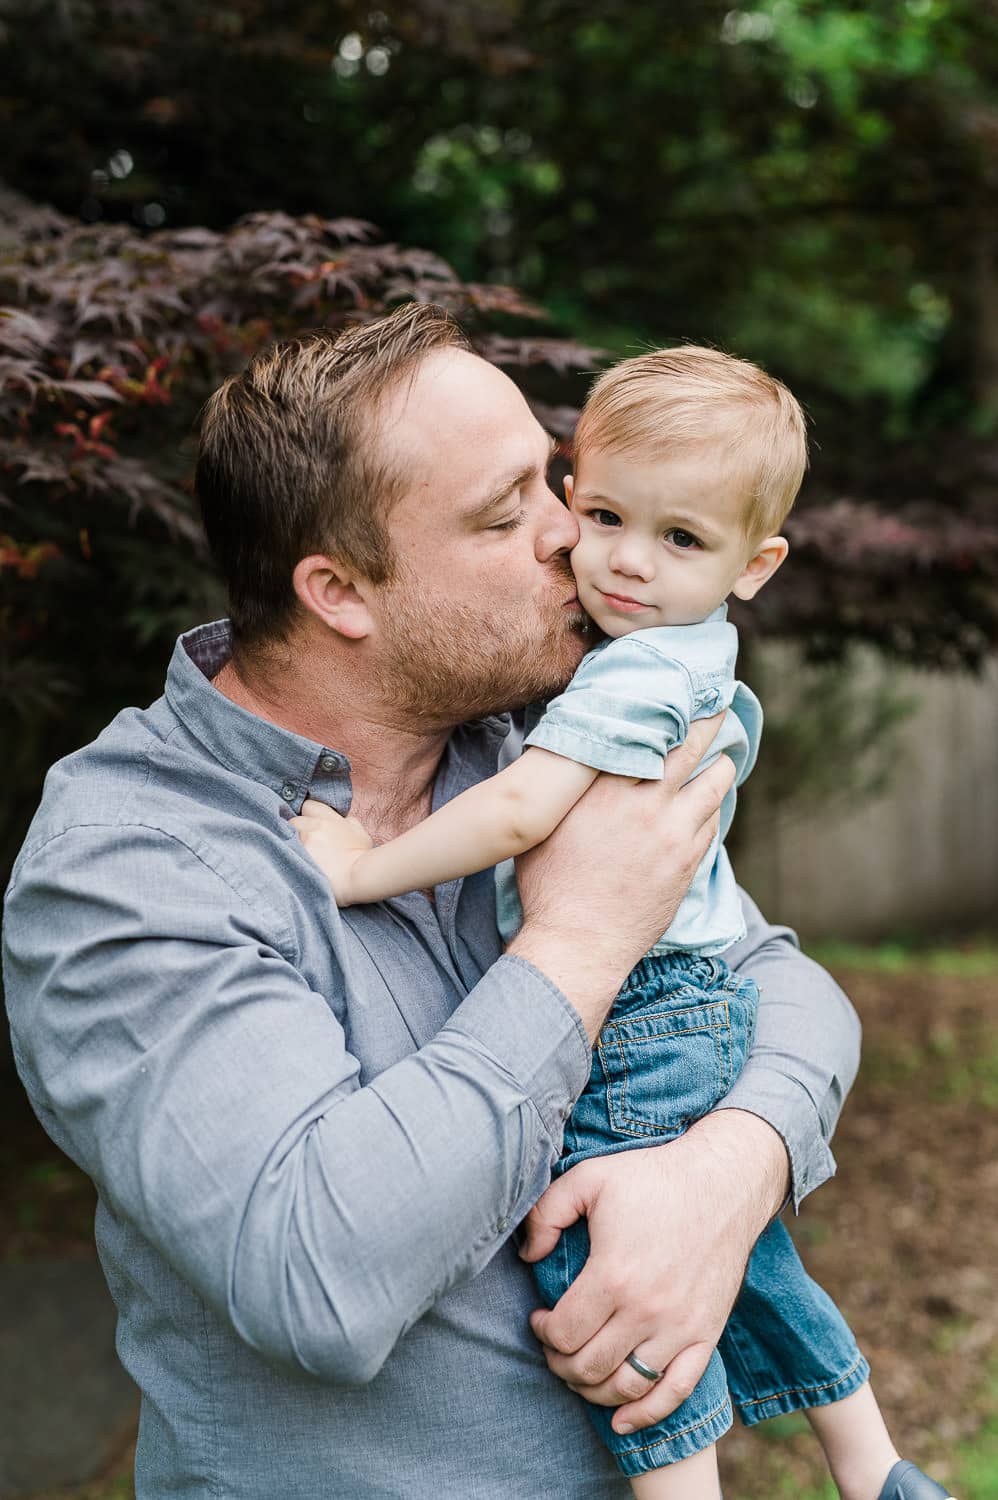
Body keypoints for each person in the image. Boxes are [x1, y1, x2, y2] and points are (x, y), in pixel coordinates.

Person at [6, 303, 863, 1500]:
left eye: (554, 484)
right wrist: (573, 942)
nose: (573, 536)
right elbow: (316, 1273)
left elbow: (783, 988)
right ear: (341, 590)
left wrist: (725, 1170)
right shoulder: (130, 862)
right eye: (509, 511)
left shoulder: (532, 746)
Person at [290, 345, 954, 1500]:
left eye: (679, 540)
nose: (619, 560)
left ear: (756, 566)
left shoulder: (629, 677)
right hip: (692, 992)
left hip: (638, 1008)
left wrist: (359, 868)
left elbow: (515, 813)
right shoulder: (676, 648)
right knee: (746, 1255)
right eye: (600, 513)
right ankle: (874, 1467)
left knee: (606, 1263)